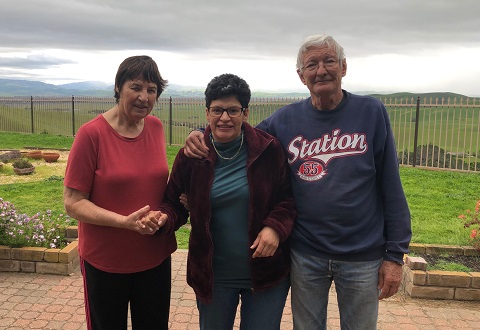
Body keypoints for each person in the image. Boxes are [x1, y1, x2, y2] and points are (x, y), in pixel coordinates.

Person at [183, 35, 412, 329]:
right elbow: (238, 131)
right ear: (301, 76)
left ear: (344, 67)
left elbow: (391, 186)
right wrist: (199, 132)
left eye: (329, 61)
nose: (320, 70)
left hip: (363, 256)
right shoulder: (285, 120)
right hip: (306, 254)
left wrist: (395, 255)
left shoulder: (372, 112)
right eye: (311, 64)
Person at [149, 73, 296, 330]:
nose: (225, 118)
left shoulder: (268, 150)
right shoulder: (192, 155)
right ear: (207, 113)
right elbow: (172, 202)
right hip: (213, 275)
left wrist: (274, 227)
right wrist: (164, 217)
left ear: (245, 113)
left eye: (233, 110)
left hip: (265, 272)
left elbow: (287, 199)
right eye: (217, 110)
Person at [63, 55, 174, 330]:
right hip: (106, 261)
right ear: (118, 88)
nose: (144, 97)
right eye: (136, 87)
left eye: (151, 90)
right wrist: (123, 222)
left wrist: (163, 214)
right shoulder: (91, 135)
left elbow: (154, 183)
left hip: (154, 256)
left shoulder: (156, 127)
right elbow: (73, 202)